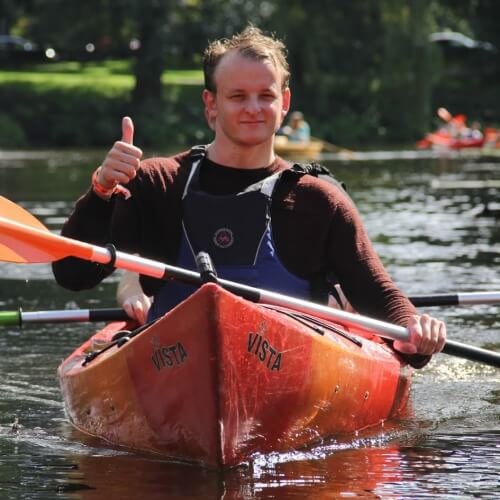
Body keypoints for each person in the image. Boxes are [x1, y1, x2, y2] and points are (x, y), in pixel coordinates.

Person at [52, 26, 446, 367]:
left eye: (265, 96)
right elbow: (72, 274)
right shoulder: (158, 183)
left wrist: (414, 331)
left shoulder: (318, 201)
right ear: (211, 104)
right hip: (171, 362)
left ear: (284, 102)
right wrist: (101, 192)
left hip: (294, 365)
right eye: (238, 96)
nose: (254, 109)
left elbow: (376, 292)